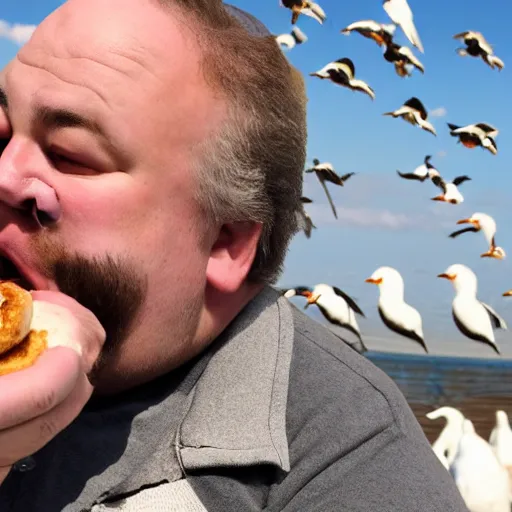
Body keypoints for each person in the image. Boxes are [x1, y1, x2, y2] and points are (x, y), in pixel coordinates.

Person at [0, 1, 469, 510]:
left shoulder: (351, 471)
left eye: (69, 153)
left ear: (225, 242)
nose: (5, 173)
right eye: (3, 130)